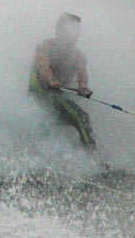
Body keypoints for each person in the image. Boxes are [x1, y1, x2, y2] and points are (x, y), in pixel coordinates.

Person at [28, 12, 95, 147]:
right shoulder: (46, 47)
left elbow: (82, 74)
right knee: (79, 117)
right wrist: (52, 80)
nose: (74, 36)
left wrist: (83, 87)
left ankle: (91, 156)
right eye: (70, 31)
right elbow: (42, 65)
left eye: (76, 32)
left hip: (57, 100)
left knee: (82, 117)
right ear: (59, 31)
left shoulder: (78, 56)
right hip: (39, 97)